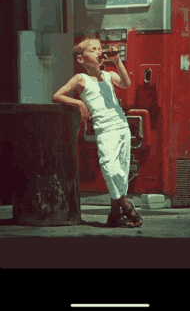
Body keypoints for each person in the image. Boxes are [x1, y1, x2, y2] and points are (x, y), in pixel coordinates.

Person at [53, 34, 143, 228]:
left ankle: (114, 215)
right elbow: (57, 95)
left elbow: (126, 83)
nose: (98, 51)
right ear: (81, 59)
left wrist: (117, 61)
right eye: (92, 49)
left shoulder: (108, 75)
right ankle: (127, 206)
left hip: (122, 126)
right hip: (105, 129)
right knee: (110, 168)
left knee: (121, 170)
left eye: (99, 48)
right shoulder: (80, 78)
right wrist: (78, 103)